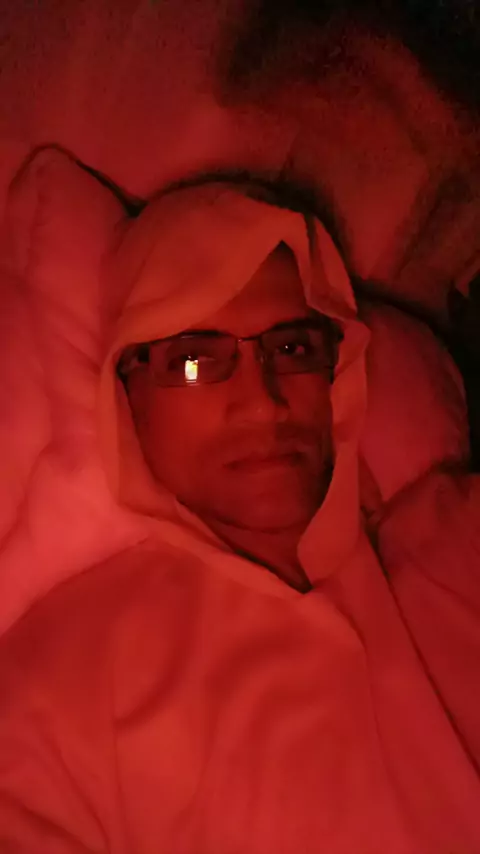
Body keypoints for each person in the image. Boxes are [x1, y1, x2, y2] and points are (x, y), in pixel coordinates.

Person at [0, 181, 479, 853]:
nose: (262, 403)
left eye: (292, 349)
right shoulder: (61, 682)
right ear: (127, 395)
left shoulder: (453, 545)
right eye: (195, 360)